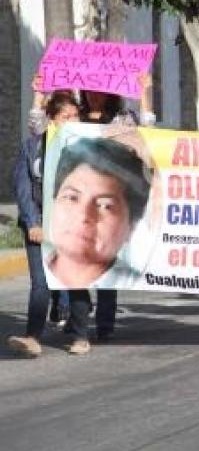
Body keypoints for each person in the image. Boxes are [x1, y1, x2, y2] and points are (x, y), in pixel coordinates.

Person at [29, 73, 156, 342]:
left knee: (105, 268)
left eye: (100, 90)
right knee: (75, 268)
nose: (94, 95)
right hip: (77, 196)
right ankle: (77, 324)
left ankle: (105, 323)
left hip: (109, 197)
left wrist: (144, 94)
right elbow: (40, 128)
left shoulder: (122, 120)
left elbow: (147, 133)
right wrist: (38, 94)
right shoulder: (75, 118)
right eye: (89, 90)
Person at [42, 137, 151, 355]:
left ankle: (104, 326)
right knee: (76, 287)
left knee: (104, 285)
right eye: (72, 198)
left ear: (132, 225)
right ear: (52, 201)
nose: (84, 216)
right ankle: (79, 334)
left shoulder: (127, 272)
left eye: (105, 206)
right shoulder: (48, 263)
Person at [7, 93, 80, 357]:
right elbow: (22, 187)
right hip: (40, 224)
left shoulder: (86, 148)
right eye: (65, 117)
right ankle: (32, 336)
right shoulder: (33, 147)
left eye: (74, 116)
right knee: (40, 282)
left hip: (72, 226)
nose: (71, 121)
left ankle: (80, 334)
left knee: (73, 279)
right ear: (51, 120)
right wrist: (32, 222)